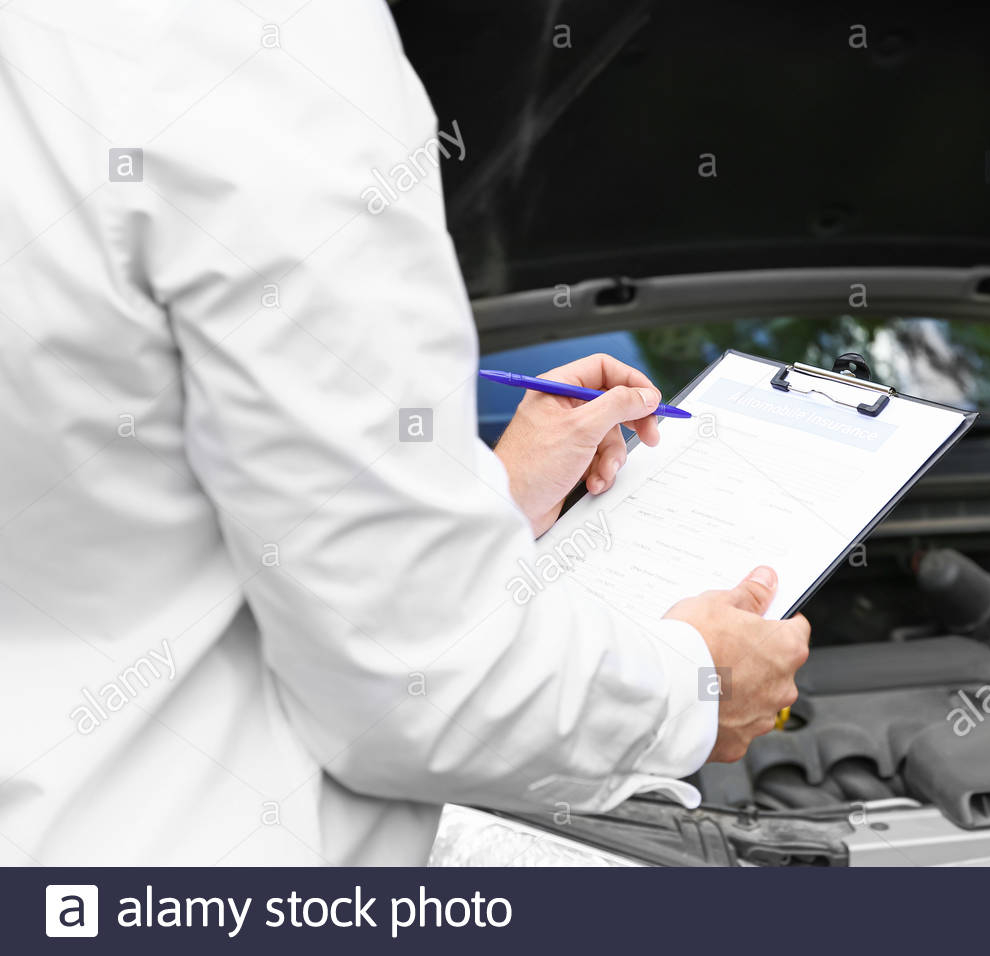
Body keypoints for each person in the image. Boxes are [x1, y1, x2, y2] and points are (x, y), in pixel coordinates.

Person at [0, 0, 809, 864]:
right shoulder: (258, 46)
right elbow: (418, 685)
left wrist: (487, 496)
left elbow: (112, 506)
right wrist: (693, 688)